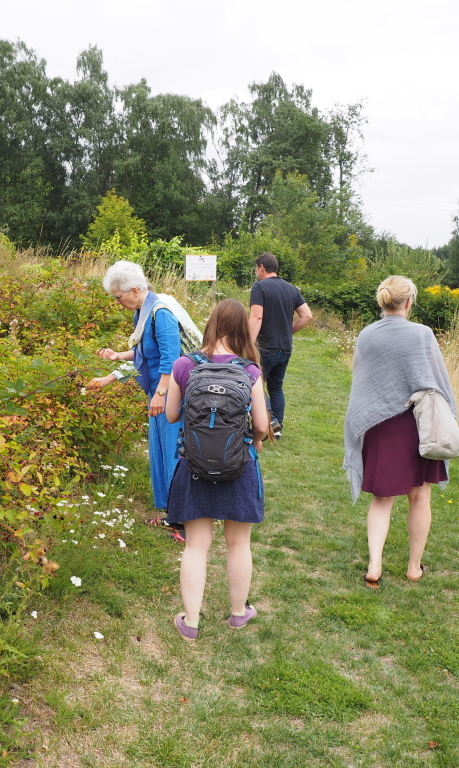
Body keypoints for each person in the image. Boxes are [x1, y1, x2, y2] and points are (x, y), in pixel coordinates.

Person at [164, 299, 270, 641]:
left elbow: (171, 415)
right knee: (238, 543)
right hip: (239, 466)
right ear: (242, 329)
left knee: (196, 546)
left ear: (210, 324)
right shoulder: (249, 370)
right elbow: (262, 426)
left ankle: (190, 623)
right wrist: (255, 442)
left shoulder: (184, 364)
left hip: (193, 465)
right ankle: (238, 614)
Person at [342, 276, 457, 588]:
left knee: (382, 499)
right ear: (408, 302)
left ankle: (374, 566)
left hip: (379, 426)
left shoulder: (367, 335)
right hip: (416, 425)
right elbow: (435, 383)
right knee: (420, 496)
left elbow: (364, 384)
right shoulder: (422, 334)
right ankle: (413, 567)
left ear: (383, 300)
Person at [89, 260, 184, 514]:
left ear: (133, 291)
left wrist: (161, 395)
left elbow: (172, 360)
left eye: (118, 297)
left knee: (173, 452)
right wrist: (117, 359)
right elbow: (144, 354)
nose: (117, 302)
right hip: (157, 393)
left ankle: (182, 516)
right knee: (159, 451)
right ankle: (168, 511)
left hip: (172, 395)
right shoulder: (142, 312)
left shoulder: (160, 313)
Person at [248, 252, 312, 438]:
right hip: (285, 347)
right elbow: (307, 315)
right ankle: (277, 429)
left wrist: (248, 342)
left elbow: (256, 316)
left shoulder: (259, 287)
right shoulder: (291, 288)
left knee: (254, 383)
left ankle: (271, 421)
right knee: (276, 387)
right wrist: (288, 332)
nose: (255, 272)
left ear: (262, 267)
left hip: (265, 346)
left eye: (256, 269)